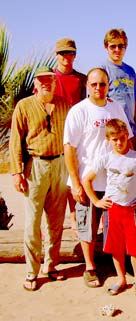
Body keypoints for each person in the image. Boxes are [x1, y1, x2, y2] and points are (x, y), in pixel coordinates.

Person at [63, 68, 133, 288]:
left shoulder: (115, 108)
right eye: (94, 84)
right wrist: (75, 182)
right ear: (87, 86)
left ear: (108, 84)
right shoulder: (79, 111)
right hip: (88, 180)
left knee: (117, 226)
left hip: (114, 182)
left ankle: (119, 267)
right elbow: (69, 148)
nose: (98, 88)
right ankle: (90, 267)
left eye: (102, 84)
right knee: (87, 226)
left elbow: (126, 139)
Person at [9, 66, 70, 291]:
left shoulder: (64, 104)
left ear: (55, 82)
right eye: (42, 79)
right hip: (35, 166)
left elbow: (73, 136)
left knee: (56, 221)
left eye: (50, 79)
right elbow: (16, 140)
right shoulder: (24, 106)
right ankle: (31, 272)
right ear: (36, 83)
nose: (46, 83)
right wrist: (17, 172)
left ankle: (51, 266)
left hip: (60, 165)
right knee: (33, 222)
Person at [82, 119, 136, 296]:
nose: (119, 142)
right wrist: (96, 201)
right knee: (116, 246)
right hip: (112, 209)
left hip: (130, 210)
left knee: (134, 247)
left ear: (126, 136)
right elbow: (86, 180)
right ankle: (121, 279)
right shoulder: (106, 159)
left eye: (122, 138)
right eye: (114, 139)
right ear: (108, 139)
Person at [54, 37, 87, 234]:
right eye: (63, 53)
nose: (67, 57)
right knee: (57, 184)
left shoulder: (81, 79)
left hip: (76, 136)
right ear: (56, 55)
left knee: (75, 177)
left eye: (71, 53)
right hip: (54, 135)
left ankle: (75, 217)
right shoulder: (48, 77)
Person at [101, 28, 136, 149]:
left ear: (126, 47)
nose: (117, 50)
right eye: (113, 46)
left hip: (130, 131)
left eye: (121, 46)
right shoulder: (102, 70)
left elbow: (134, 101)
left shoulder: (130, 71)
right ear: (106, 47)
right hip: (113, 133)